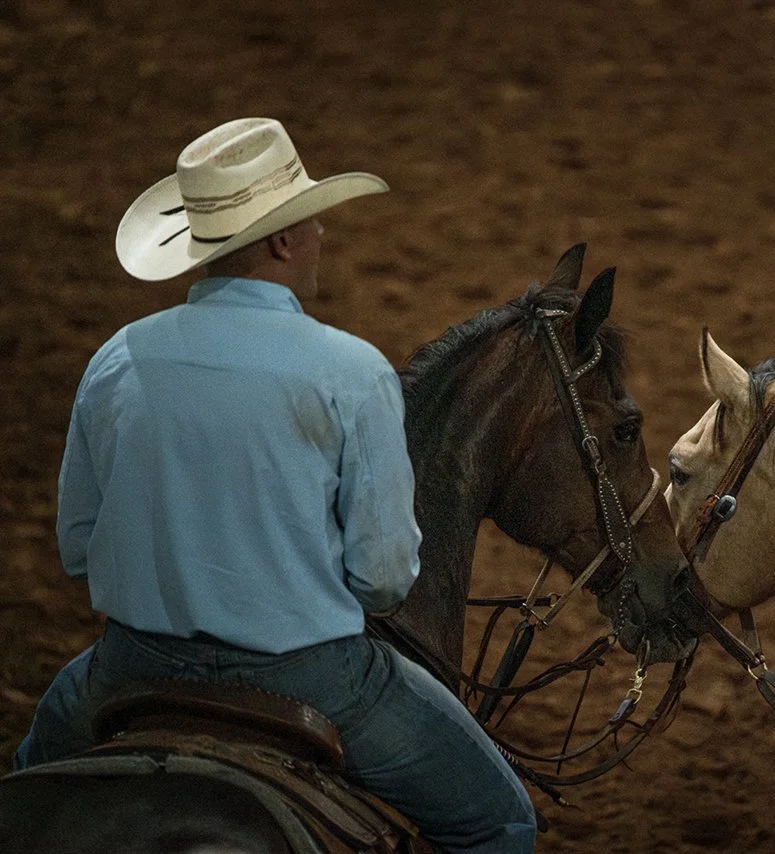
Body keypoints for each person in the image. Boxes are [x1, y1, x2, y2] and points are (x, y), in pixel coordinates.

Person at [12, 117, 537, 853]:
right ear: (284, 242)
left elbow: (76, 546)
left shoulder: (116, 361)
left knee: (23, 798)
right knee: (500, 820)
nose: (322, 232)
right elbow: (385, 579)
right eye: (311, 220)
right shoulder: (351, 373)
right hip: (313, 678)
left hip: (132, 666)